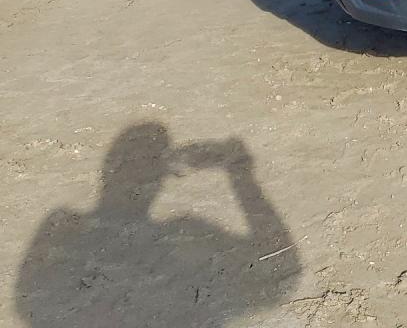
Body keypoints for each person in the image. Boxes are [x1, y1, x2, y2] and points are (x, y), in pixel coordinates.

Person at [15, 122, 299, 327]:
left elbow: (27, 305)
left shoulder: (63, 229)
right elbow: (282, 271)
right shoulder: (188, 235)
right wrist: (241, 175)